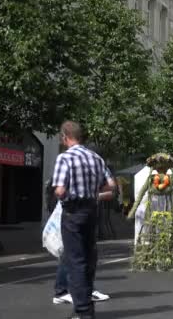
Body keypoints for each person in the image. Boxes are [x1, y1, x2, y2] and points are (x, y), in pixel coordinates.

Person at [52, 121, 114, 319]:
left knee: (75, 261)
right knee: (88, 259)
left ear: (65, 136)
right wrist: (93, 193)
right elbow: (111, 186)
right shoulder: (95, 158)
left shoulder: (65, 158)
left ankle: (83, 312)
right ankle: (85, 306)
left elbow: (60, 190)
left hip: (73, 212)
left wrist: (64, 194)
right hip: (92, 210)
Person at [50, 171, 113, 305]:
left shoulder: (92, 169)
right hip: (73, 213)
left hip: (85, 214)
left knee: (85, 253)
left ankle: (83, 290)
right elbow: (60, 191)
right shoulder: (73, 167)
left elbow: (111, 191)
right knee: (73, 252)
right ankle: (63, 291)